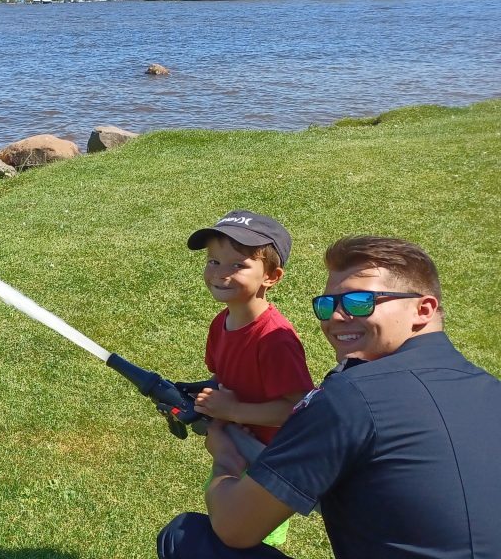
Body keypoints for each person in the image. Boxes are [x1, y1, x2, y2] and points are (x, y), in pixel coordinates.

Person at [157, 235, 501, 559]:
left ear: (423, 310)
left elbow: (234, 527)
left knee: (185, 538)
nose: (337, 316)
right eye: (327, 305)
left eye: (360, 301)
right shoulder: (490, 390)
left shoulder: (348, 399)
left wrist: (227, 461)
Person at [183, 211, 316, 546]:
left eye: (237, 265)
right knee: (222, 528)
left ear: (271, 276)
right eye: (213, 261)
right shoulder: (221, 324)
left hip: (269, 465)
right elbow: (221, 380)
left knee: (250, 542)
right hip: (236, 449)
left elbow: (298, 411)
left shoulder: (275, 340)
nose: (220, 274)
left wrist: (233, 411)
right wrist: (202, 402)